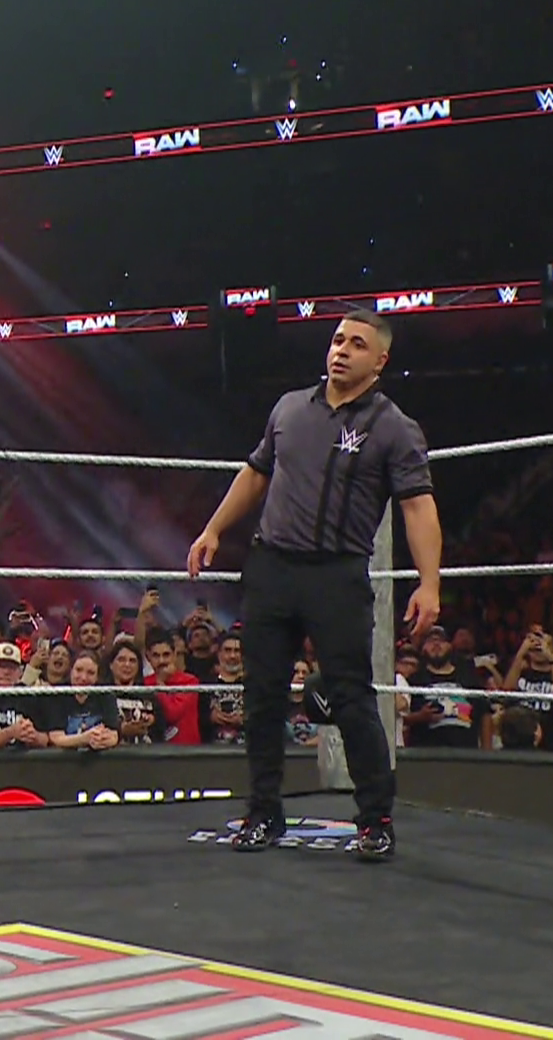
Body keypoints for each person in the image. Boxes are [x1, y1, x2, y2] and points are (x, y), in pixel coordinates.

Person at [187, 309, 442, 861]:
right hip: (272, 567)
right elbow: (256, 473)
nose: (341, 350)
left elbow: (418, 507)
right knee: (262, 696)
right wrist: (213, 529)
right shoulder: (289, 408)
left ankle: (375, 820)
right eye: (337, 339)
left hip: (336, 574)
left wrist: (429, 583)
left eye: (357, 344)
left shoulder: (394, 427)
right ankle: (262, 812)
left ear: (380, 360)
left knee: (351, 697)